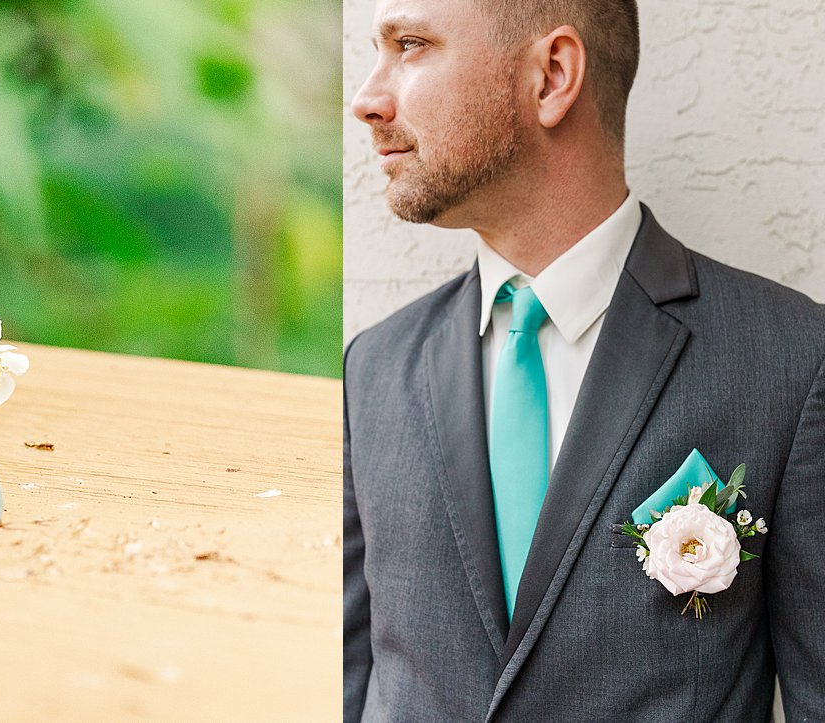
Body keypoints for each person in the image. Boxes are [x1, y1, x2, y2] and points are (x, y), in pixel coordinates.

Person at [343, 0, 824, 719]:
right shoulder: (370, 370)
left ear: (552, 76)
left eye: (410, 44)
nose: (366, 99)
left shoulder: (789, 360)